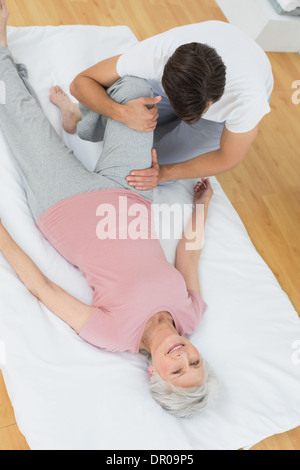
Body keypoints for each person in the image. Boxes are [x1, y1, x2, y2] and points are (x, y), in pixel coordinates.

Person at [0, 0, 217, 418]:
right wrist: (201, 205)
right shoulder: (190, 314)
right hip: (131, 192)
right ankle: (81, 122)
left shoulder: (113, 335)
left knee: (20, 118)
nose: (184, 356)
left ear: (154, 374)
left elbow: (44, 289)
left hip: (65, 206)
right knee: (137, 94)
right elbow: (187, 255)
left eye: (177, 370)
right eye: (195, 363)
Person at [66, 19, 274, 192]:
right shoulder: (156, 55)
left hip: (230, 96)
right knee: (118, 115)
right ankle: (76, 111)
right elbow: (80, 83)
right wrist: (120, 112)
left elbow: (228, 157)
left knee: (146, 167)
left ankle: (173, 132)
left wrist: (164, 173)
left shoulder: (247, 99)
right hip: (178, 78)